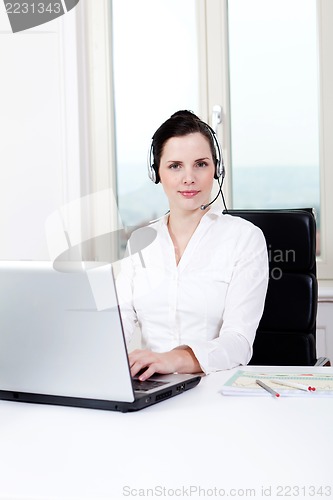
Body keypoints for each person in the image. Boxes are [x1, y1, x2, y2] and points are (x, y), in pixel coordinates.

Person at [116, 110, 268, 381]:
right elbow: (117, 328)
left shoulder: (245, 239)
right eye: (175, 166)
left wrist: (173, 358)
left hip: (216, 389)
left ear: (216, 170)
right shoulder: (140, 243)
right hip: (149, 388)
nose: (189, 178)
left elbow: (239, 342)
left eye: (200, 164)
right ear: (157, 173)